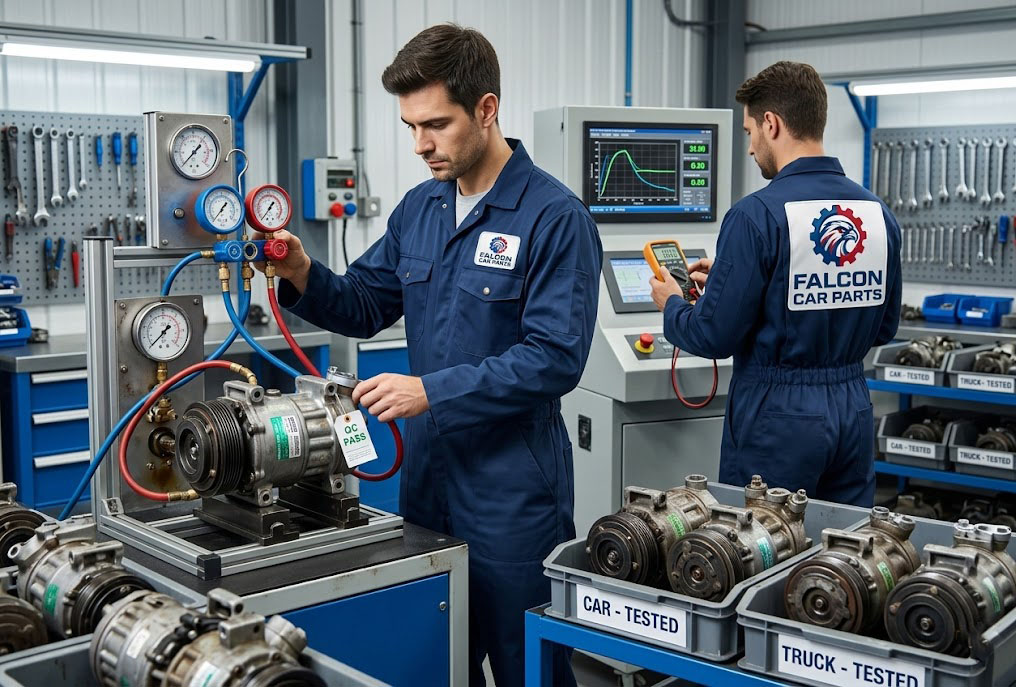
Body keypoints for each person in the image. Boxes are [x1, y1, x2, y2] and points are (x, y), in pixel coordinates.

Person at [257, 24, 601, 687]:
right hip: (426, 483)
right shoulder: (420, 209)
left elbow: (555, 357)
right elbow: (363, 303)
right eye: (411, 126)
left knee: (527, 664)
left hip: (512, 491)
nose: (420, 144)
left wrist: (430, 391)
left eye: (436, 124)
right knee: (437, 658)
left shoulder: (554, 218)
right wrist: (301, 271)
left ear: (487, 109)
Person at [649, 61, 901, 507]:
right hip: (853, 410)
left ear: (772, 123)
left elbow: (712, 335)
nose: (750, 148)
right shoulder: (876, 214)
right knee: (843, 541)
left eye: (750, 132)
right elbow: (883, 328)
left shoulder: (755, 215)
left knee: (762, 537)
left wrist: (672, 304)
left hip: (778, 418)